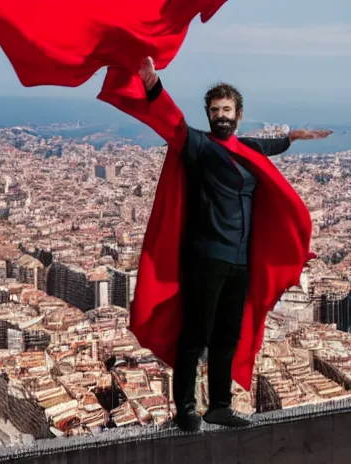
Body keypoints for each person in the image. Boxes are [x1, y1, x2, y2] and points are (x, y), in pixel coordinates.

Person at [137, 57, 332, 431]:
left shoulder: (247, 150)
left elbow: (268, 144)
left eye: (227, 110)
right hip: (207, 257)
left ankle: (220, 406)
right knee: (195, 335)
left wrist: (294, 137)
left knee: (227, 335)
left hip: (240, 260)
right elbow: (172, 122)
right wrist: (152, 85)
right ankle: (187, 409)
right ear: (209, 115)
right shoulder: (200, 147)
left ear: (238, 115)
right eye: (215, 110)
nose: (221, 116)